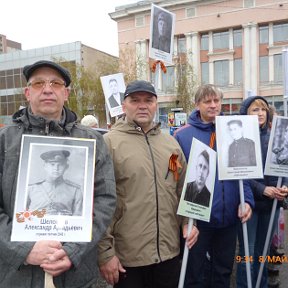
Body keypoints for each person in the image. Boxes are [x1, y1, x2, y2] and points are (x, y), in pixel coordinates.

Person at [0, 60, 116, 288]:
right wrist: (24, 250)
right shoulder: (5, 141)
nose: (47, 89)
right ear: (27, 93)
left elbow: (105, 200)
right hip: (18, 276)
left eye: (55, 83)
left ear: (66, 93)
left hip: (76, 275)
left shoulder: (91, 140)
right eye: (38, 83)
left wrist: (72, 250)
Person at [97, 80, 199, 288]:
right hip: (128, 257)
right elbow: (96, 201)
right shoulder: (109, 143)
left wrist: (189, 221)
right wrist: (105, 253)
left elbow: (181, 186)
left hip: (168, 252)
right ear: (124, 106)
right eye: (135, 100)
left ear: (156, 105)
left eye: (148, 100)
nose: (142, 105)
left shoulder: (170, 144)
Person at [174, 84, 254, 288]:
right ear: (197, 104)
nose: (213, 105)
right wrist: (183, 219)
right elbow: (176, 178)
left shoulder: (231, 130)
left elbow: (243, 172)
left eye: (216, 100)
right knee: (194, 274)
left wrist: (247, 201)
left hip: (228, 218)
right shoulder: (182, 135)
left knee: (223, 272)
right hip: (198, 218)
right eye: (207, 101)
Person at [236, 96, 288, 288]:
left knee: (263, 252)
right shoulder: (240, 139)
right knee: (247, 254)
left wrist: (284, 186)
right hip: (249, 204)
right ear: (245, 114)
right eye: (254, 110)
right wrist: (262, 189)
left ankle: (261, 285)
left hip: (272, 204)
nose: (260, 114)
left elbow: (283, 166)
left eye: (263, 109)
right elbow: (238, 174)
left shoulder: (277, 136)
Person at [27, 150, 83, 216]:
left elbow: (78, 218)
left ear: (66, 167)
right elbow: (21, 216)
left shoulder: (75, 191)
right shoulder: (31, 189)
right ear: (45, 166)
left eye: (60, 165)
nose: (56, 168)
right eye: (52, 164)